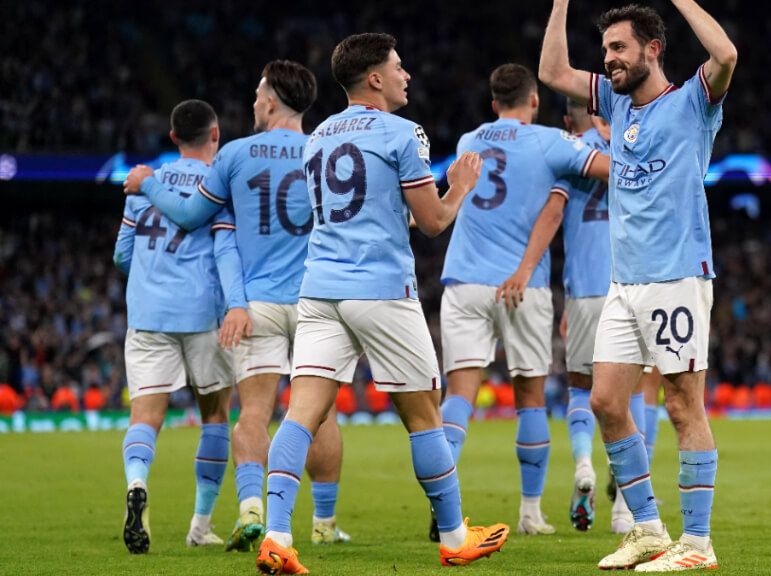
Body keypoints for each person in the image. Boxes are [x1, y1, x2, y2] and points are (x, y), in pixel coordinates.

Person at [254, 33, 509, 574]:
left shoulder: (318, 135)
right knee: (423, 416)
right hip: (381, 290)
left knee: (299, 418)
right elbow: (436, 221)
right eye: (398, 67)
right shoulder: (402, 132)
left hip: (320, 289)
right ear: (374, 78)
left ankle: (276, 536)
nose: (406, 74)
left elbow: (372, 209)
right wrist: (459, 185)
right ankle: (456, 537)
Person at [539, 0, 736, 571]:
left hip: (676, 276)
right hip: (623, 282)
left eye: (619, 48)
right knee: (604, 401)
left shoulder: (693, 102)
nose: (609, 60)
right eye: (605, 52)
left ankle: (697, 545)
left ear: (652, 49)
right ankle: (648, 530)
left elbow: (725, 54)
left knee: (681, 404)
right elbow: (554, 72)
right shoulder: (617, 100)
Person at [125, 61, 350, 550]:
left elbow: (189, 217)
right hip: (318, 300)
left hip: (258, 303)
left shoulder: (235, 155)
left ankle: (251, 507)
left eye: (256, 94)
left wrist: (149, 185)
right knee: (321, 414)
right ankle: (325, 524)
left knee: (252, 413)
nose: (252, 102)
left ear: (270, 101)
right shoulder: (325, 150)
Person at [437, 63, 609, 537]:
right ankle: (530, 513)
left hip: (465, 281)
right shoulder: (551, 141)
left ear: (494, 104)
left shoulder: (469, 140)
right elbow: (608, 169)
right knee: (530, 398)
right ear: (534, 100)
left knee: (459, 395)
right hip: (523, 286)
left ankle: (443, 503)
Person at [116, 99, 249, 553]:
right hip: (203, 315)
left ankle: (137, 483)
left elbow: (121, 256)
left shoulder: (141, 183)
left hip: (148, 314)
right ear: (216, 135)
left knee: (146, 415)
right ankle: (200, 526)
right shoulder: (218, 187)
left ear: (172, 137)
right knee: (214, 415)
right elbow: (227, 249)